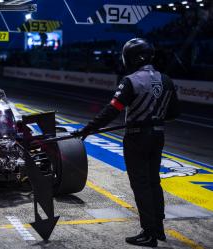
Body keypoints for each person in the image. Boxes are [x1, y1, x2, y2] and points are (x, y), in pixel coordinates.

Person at [73, 38, 180, 247]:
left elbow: (111, 111)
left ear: (133, 57)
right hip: (158, 135)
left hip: (137, 137)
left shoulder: (131, 80)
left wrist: (88, 129)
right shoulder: (166, 79)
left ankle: (148, 234)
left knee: (140, 184)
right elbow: (174, 112)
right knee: (153, 182)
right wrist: (153, 117)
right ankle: (158, 229)